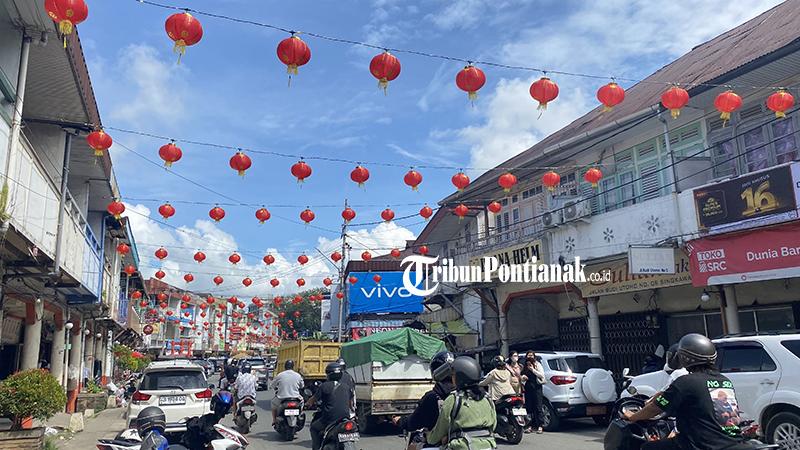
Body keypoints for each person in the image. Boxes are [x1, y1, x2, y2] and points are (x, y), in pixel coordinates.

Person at [624, 333, 747, 450]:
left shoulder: (685, 382)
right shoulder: (724, 381)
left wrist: (633, 416)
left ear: (684, 358)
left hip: (700, 444)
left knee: (647, 448)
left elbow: (656, 407)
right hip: (731, 442)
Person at [427, 356, 497, 450]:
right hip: (489, 446)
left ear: (460, 377)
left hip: (462, 447)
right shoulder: (487, 399)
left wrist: (428, 437)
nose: (452, 378)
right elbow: (493, 425)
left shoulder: (454, 399)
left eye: (453, 375)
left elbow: (440, 430)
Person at [392, 351, 456, 449]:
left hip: (443, 444)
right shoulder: (472, 396)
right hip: (471, 442)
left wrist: (400, 421)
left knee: (413, 447)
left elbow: (413, 422)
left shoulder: (434, 397)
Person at [308, 360, 354, 450]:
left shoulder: (324, 386)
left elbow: (312, 400)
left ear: (328, 374)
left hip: (329, 420)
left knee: (313, 428)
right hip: (345, 419)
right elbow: (350, 404)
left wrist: (307, 404)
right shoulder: (346, 387)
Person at [270, 359, 304, 426]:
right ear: (293, 367)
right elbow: (302, 386)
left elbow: (272, 385)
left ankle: (274, 420)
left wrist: (276, 388)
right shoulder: (298, 375)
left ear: (285, 367)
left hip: (282, 398)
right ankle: (299, 415)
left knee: (273, 404)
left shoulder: (280, 375)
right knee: (302, 403)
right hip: (296, 398)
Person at [520, 351, 546, 434]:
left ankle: (540, 426)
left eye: (531, 355)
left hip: (537, 388)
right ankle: (529, 426)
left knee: (538, 407)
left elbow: (542, 375)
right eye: (528, 355)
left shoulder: (537, 364)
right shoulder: (524, 365)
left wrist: (533, 370)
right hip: (528, 388)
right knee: (529, 407)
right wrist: (523, 377)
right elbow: (521, 375)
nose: (530, 357)